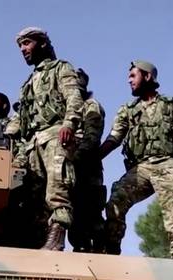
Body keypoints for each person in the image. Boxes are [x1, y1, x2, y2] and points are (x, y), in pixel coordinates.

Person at [99, 60, 173, 258]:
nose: (129, 80)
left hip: (169, 165)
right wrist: (94, 157)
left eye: (133, 76)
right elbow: (114, 138)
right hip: (140, 168)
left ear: (147, 76)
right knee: (115, 202)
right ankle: (112, 252)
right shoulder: (128, 110)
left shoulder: (172, 105)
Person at [5, 27, 84, 251]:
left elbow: (74, 97)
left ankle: (57, 237)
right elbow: (20, 117)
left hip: (55, 135)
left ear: (42, 43)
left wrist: (69, 123)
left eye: (27, 43)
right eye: (21, 46)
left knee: (57, 188)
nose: (23, 49)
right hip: (33, 144)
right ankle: (39, 238)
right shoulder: (29, 82)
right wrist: (3, 138)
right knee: (34, 196)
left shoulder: (62, 68)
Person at [68, 68, 106, 253]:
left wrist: (76, 157)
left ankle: (101, 251)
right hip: (68, 166)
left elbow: (92, 136)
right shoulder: (66, 110)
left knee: (90, 213)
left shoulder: (91, 105)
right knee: (73, 213)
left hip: (86, 166)